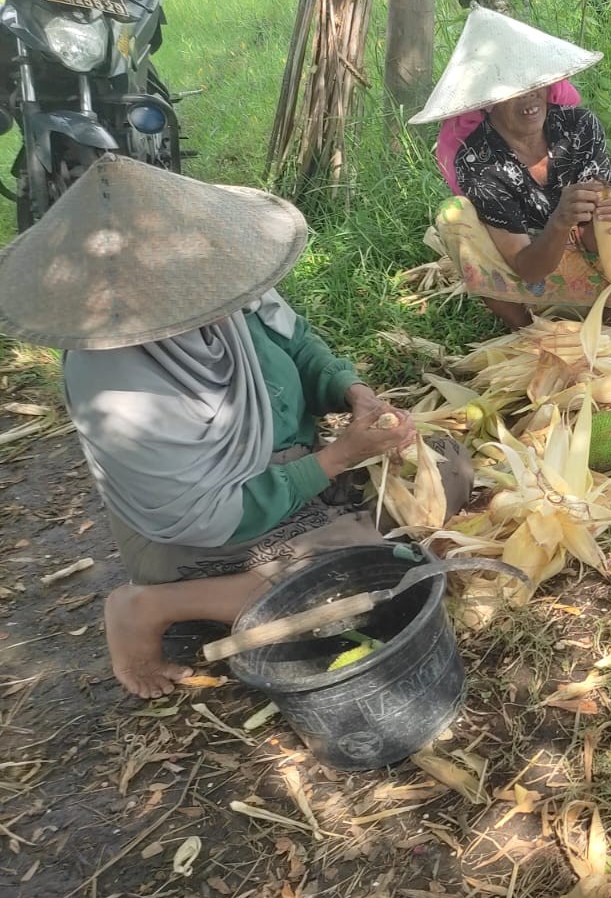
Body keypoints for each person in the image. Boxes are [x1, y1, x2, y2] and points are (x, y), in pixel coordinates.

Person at [0, 158, 473, 698]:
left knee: (447, 468)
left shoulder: (219, 286)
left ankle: (328, 544)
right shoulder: (116, 382)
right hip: (205, 530)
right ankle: (147, 606)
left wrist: (353, 392)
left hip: (295, 474)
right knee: (348, 581)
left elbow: (298, 343)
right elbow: (206, 513)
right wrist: (339, 457)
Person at [410, 6, 611, 330]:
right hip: (531, 275)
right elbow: (528, 268)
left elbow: (592, 241)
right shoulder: (479, 161)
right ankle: (526, 329)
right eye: (513, 92)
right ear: (487, 101)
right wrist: (559, 221)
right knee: (453, 216)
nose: (530, 99)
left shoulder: (578, 127)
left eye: (536, 84)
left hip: (593, 260)